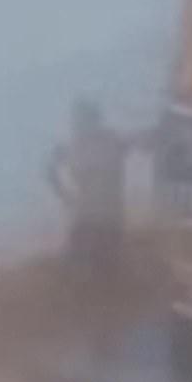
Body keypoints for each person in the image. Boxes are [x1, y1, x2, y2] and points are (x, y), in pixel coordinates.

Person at [47, 98, 154, 282]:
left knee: (106, 275)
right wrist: (64, 196)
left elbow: (142, 142)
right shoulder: (72, 146)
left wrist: (153, 137)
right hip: (85, 221)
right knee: (72, 274)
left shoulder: (112, 140)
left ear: (95, 120)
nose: (79, 125)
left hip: (108, 221)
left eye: (83, 120)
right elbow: (49, 168)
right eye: (78, 120)